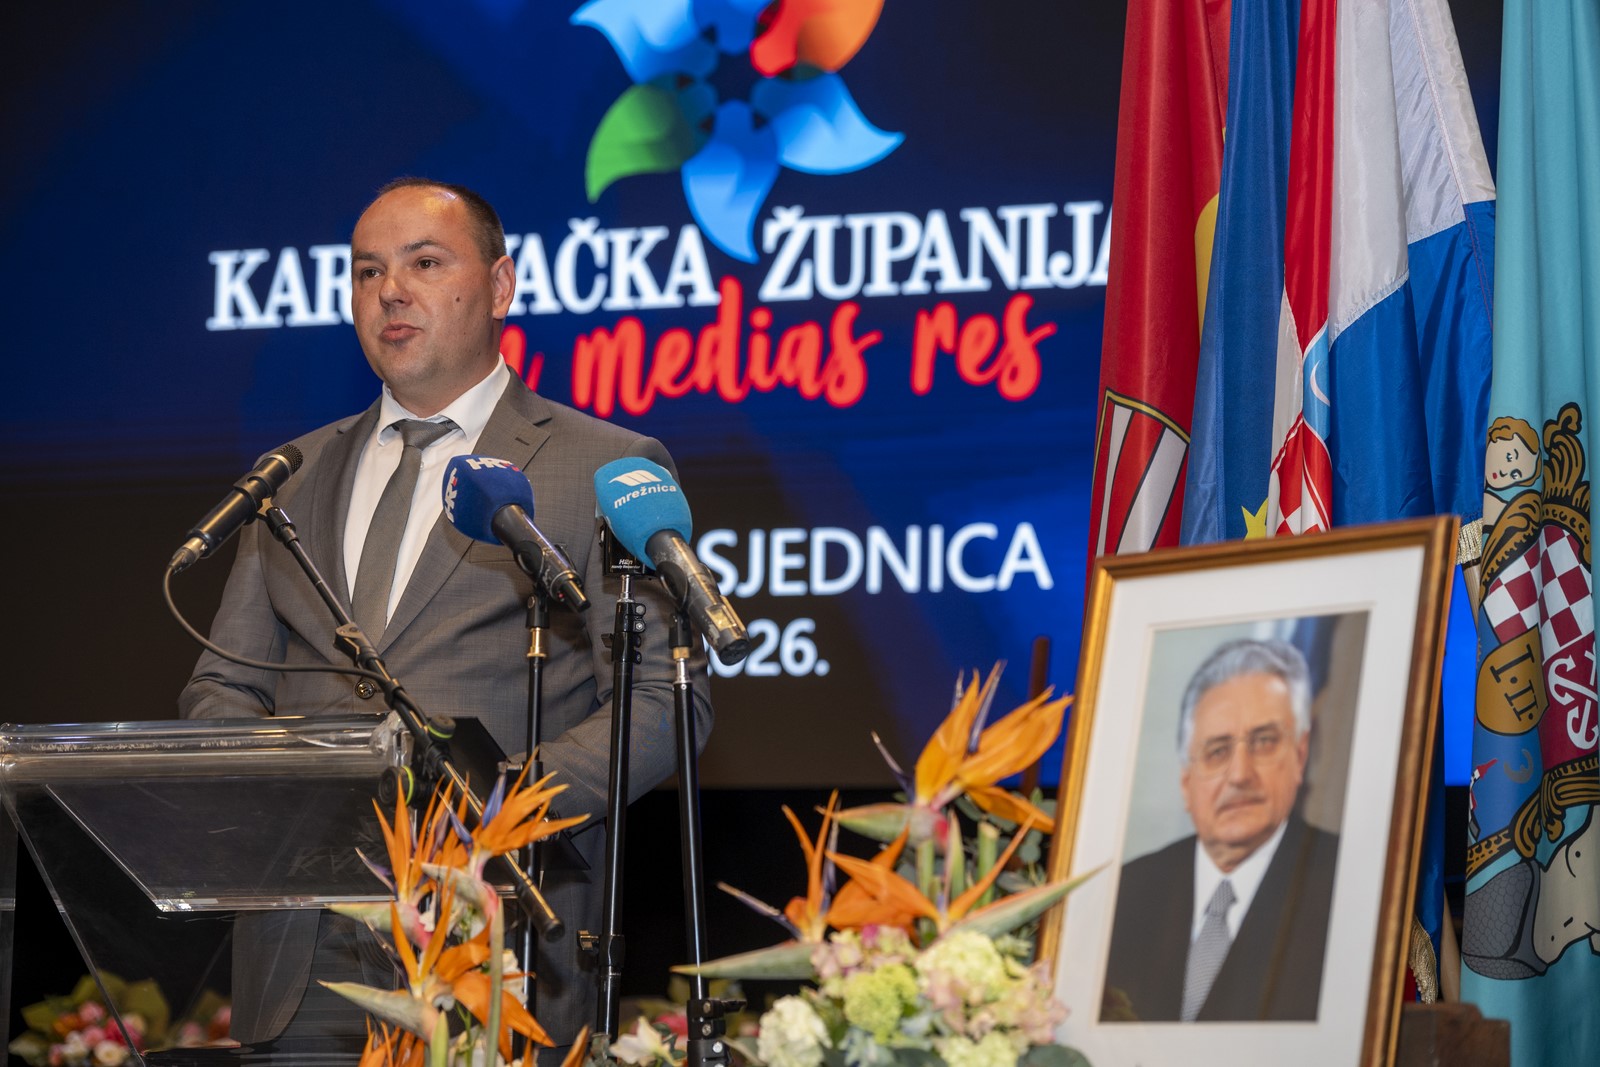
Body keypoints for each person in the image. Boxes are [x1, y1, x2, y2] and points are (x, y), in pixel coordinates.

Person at [180, 178, 713, 1052]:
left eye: (425, 263)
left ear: (500, 286)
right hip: (303, 946)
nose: (391, 291)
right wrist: (279, 791)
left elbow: (661, 704)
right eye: (368, 272)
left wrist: (492, 807)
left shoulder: (605, 465)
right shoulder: (291, 473)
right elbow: (224, 685)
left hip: (497, 934)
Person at [1101, 638, 1339, 1022]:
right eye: (1217, 751)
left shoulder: (1345, 883)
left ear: (1299, 755)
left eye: (1264, 742)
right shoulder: (1125, 893)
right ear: (1186, 783)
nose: (1240, 775)